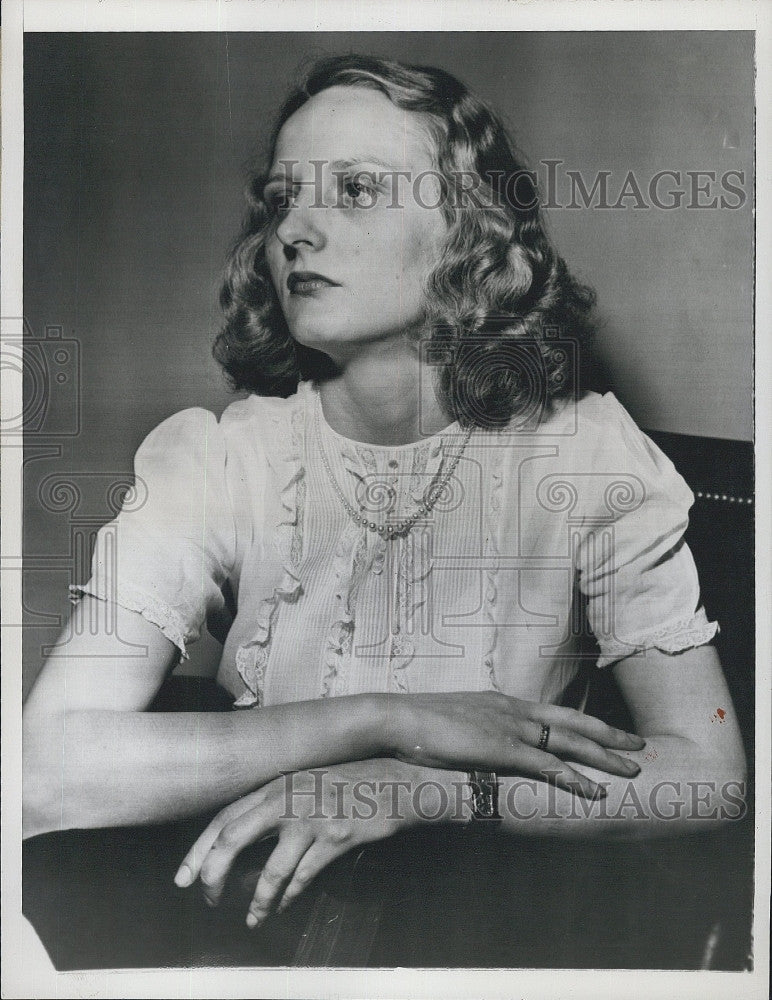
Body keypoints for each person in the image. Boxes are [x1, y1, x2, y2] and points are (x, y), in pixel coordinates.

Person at [23, 55, 746, 945]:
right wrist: (388, 720)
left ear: (466, 231)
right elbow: (41, 771)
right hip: (238, 928)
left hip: (480, 934)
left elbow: (707, 772)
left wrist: (426, 788)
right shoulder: (217, 456)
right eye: (282, 198)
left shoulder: (586, 453)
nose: (296, 230)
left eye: (356, 190)